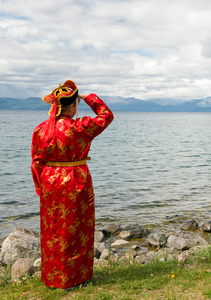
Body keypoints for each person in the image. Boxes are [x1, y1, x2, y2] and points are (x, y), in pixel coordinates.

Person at [31, 80, 114, 290]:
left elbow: (36, 161)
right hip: (75, 179)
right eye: (76, 103)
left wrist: (40, 186)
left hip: (50, 180)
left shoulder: (40, 130)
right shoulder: (80, 126)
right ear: (71, 107)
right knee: (77, 228)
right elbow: (107, 116)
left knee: (53, 228)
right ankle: (76, 277)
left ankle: (53, 277)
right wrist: (91, 98)